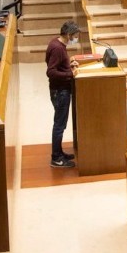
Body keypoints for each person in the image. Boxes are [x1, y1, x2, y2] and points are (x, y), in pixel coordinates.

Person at [46, 21, 79, 168]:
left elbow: (57, 65)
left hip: (61, 90)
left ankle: (59, 152)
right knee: (59, 125)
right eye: (75, 35)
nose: (76, 38)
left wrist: (68, 66)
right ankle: (56, 158)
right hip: (60, 92)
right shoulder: (58, 48)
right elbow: (51, 71)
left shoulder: (56, 43)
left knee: (61, 124)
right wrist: (69, 73)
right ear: (68, 34)